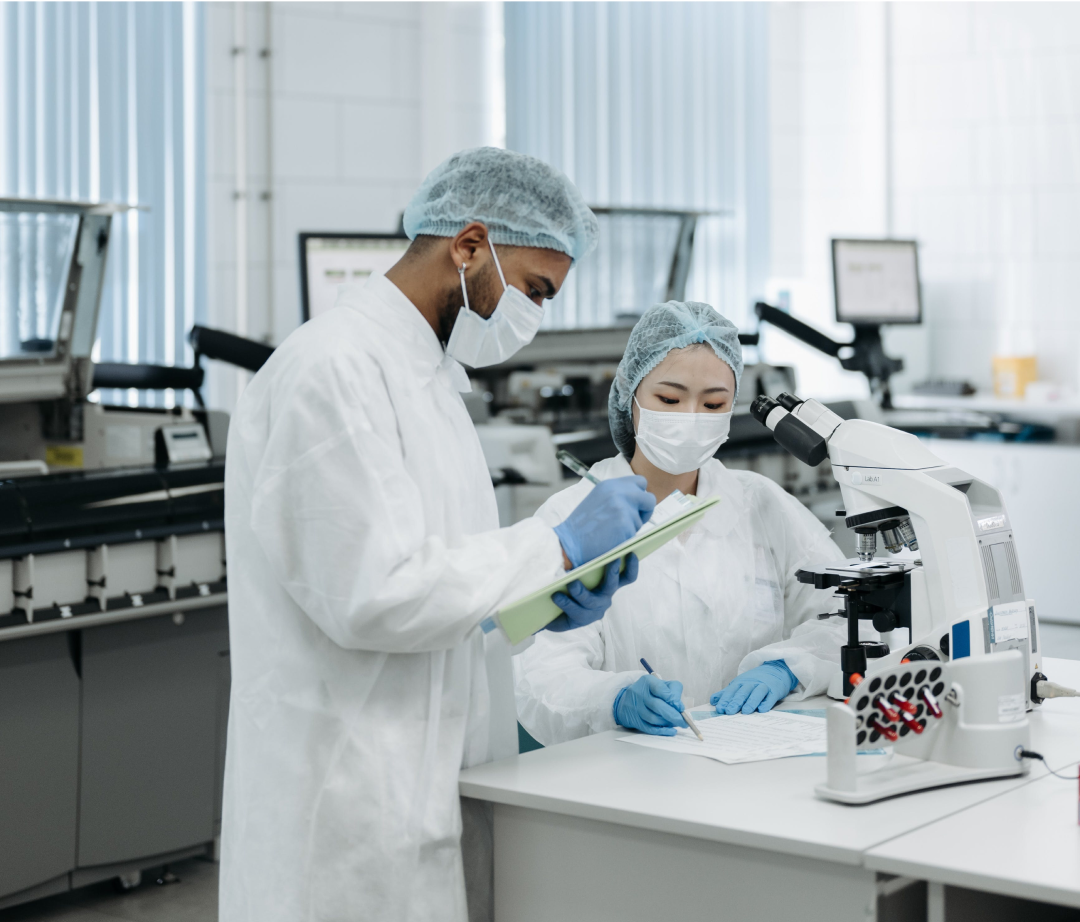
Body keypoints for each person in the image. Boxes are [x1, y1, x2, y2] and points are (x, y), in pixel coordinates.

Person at [219, 147, 656, 922]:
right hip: (344, 802)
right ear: (468, 245)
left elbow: (447, 588)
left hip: (422, 784)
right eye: (533, 289)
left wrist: (543, 604)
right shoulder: (332, 369)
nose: (533, 315)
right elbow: (375, 595)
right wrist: (553, 547)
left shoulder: (429, 379)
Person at [514, 301, 857, 746]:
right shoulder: (572, 516)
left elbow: (843, 617)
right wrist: (613, 698)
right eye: (669, 399)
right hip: (622, 774)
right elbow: (542, 674)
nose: (691, 417)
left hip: (753, 763)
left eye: (713, 403)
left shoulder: (761, 503)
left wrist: (791, 665)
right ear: (630, 395)